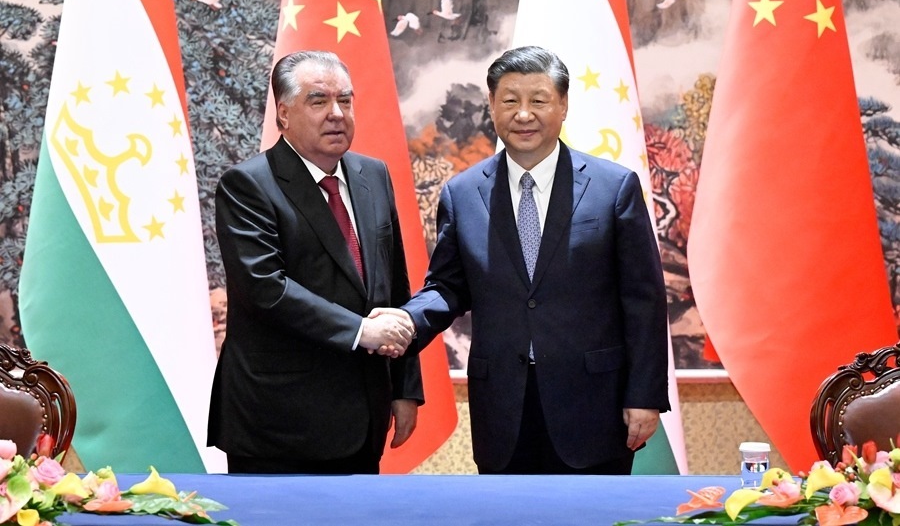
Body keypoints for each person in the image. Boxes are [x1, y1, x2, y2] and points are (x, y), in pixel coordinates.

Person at [374, 45, 669, 474]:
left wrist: (644, 395)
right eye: (510, 100)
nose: (524, 114)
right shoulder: (463, 193)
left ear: (563, 105)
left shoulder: (612, 188)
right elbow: (448, 287)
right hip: (503, 407)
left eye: (539, 100)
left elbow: (643, 299)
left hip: (593, 405)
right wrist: (407, 321)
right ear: (492, 105)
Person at [208, 50, 422, 474]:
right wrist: (361, 331)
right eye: (319, 101)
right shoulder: (248, 185)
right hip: (278, 423)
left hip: (363, 416)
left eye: (345, 100)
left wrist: (405, 387)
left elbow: (394, 287)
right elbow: (266, 288)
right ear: (284, 113)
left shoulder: (373, 175)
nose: (336, 114)